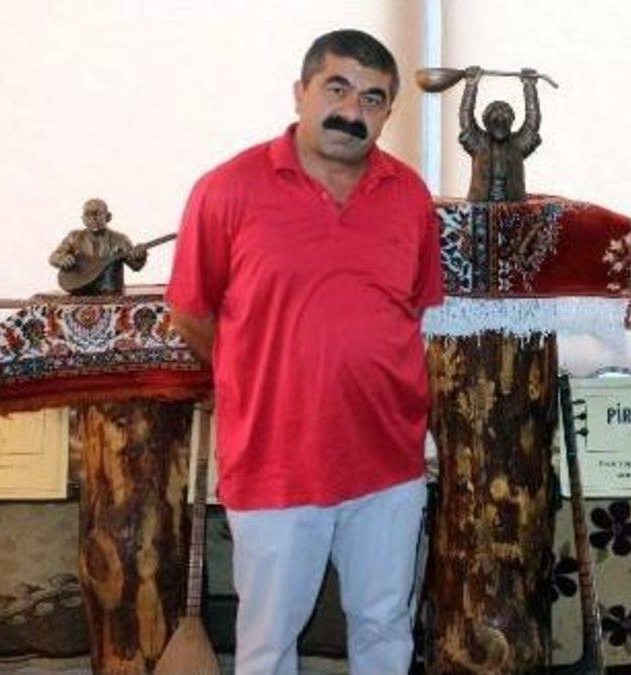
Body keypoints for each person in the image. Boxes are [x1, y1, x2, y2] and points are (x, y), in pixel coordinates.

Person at [165, 29, 444, 674]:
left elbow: (413, 310)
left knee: (385, 626)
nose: (352, 111)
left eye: (372, 99)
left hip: (388, 460)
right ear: (301, 92)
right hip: (275, 460)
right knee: (268, 643)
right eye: (337, 89)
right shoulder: (227, 190)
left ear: (389, 111)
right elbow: (190, 314)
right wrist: (259, 372)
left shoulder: (409, 195)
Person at [459, 65, 542, 201]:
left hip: (513, 205)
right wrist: (471, 85)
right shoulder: (479, 142)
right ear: (486, 123)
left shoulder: (517, 143)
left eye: (505, 116)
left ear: (512, 121)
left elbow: (532, 123)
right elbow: (466, 117)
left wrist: (530, 87)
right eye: (495, 117)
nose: (500, 121)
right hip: (481, 205)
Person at [48, 198, 147, 295]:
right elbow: (54, 256)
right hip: (79, 289)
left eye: (97, 214)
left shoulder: (119, 240)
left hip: (109, 291)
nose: (93, 219)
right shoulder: (74, 237)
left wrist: (139, 256)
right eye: (88, 215)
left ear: (108, 217)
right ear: (83, 219)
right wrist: (61, 259)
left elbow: (135, 266)